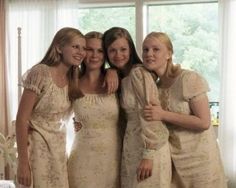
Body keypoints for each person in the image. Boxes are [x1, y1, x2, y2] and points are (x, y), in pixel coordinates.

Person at [142, 32, 228, 188]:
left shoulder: (188, 79)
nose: (149, 54)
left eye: (156, 49)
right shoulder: (155, 87)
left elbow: (204, 122)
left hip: (200, 159)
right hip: (174, 160)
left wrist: (163, 114)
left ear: (169, 53)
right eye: (145, 49)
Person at [15, 27, 86, 188]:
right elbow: (21, 119)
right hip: (35, 147)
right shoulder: (41, 72)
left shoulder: (73, 77)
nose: (81, 52)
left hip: (59, 149)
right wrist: (23, 162)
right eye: (75, 47)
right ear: (59, 48)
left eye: (83, 48)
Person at [103, 27, 171, 188]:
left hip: (149, 148)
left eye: (123, 49)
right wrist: (110, 70)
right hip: (131, 145)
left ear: (131, 49)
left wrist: (148, 155)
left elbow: (151, 114)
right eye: (112, 50)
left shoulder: (138, 73)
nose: (118, 55)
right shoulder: (122, 77)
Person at [67, 31, 122, 188]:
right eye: (89, 49)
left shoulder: (117, 80)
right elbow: (56, 109)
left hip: (113, 160)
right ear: (82, 52)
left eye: (100, 51)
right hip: (81, 159)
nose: (94, 55)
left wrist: (113, 70)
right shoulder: (72, 81)